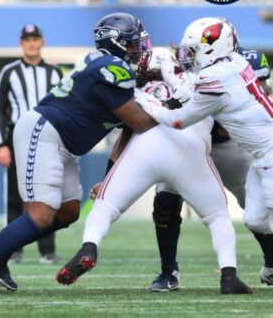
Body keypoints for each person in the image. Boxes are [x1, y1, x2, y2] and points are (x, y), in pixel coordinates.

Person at [0, 12, 157, 296]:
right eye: (133, 44)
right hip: (45, 130)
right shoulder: (111, 68)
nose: (140, 50)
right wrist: (170, 105)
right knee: (40, 215)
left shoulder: (107, 64)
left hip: (63, 140)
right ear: (116, 44)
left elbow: (128, 130)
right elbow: (141, 122)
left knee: (67, 212)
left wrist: (109, 178)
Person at [58, 47, 251, 294]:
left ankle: (89, 247)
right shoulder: (203, 80)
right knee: (217, 216)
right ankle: (228, 275)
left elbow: (126, 134)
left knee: (106, 206)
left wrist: (107, 178)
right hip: (188, 147)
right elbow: (226, 126)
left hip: (145, 146)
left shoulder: (135, 91)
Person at [135, 17, 273, 286]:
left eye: (193, 50)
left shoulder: (217, 75)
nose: (187, 57)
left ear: (213, 48)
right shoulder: (234, 64)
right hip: (238, 152)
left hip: (248, 149)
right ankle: (168, 271)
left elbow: (177, 117)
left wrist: (143, 97)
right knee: (255, 219)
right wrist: (167, 72)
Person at [0, 24, 63, 264]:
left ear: (42, 41)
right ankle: (13, 249)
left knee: (47, 193)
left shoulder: (55, 72)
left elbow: (63, 106)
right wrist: (1, 144)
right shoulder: (9, 72)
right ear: (21, 43)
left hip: (47, 137)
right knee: (15, 196)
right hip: (16, 137)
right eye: (27, 40)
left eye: (36, 39)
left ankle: (48, 250)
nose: (32, 43)